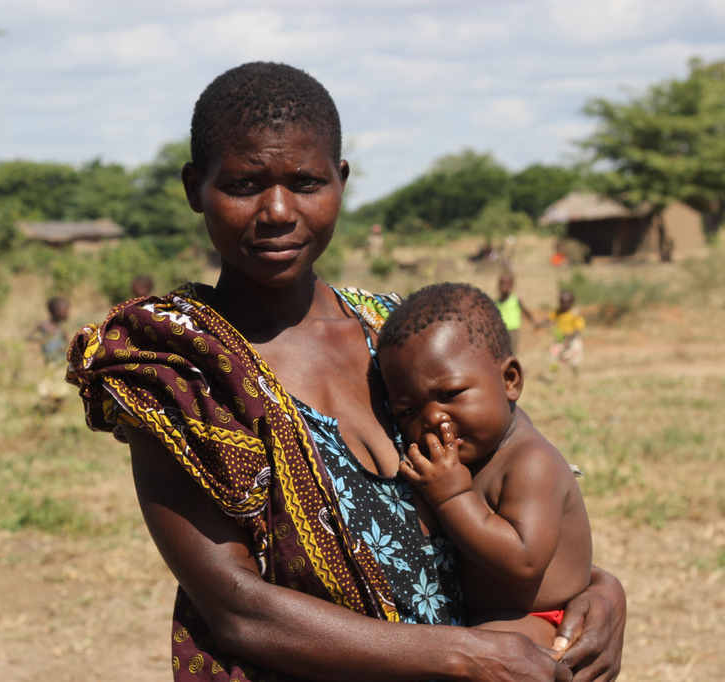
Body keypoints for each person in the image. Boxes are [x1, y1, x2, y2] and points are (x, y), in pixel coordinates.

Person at [67, 62, 624, 682]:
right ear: (196, 188)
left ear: (341, 181)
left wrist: (596, 590)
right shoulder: (177, 367)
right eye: (245, 184)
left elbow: (521, 479)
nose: (277, 210)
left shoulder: (398, 332)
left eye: (306, 182)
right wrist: (462, 655)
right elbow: (236, 608)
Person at [378, 282, 592, 649]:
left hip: (537, 620)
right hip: (486, 619)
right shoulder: (467, 455)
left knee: (484, 659)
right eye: (409, 411)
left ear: (510, 380)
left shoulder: (532, 463)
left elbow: (523, 560)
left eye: (449, 395)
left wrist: (452, 497)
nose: (433, 419)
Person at [494, 272, 537, 354]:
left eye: (506, 283)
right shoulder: (496, 302)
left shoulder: (515, 300)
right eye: (501, 283)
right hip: (499, 332)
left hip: (512, 332)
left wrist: (534, 322)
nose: (503, 286)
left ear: (511, 285)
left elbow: (526, 312)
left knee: (511, 354)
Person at [548, 290, 585, 375]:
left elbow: (578, 329)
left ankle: (574, 374)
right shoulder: (557, 312)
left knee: (574, 357)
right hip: (559, 339)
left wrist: (568, 340)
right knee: (553, 356)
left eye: (565, 302)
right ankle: (552, 376)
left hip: (572, 339)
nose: (563, 305)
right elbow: (549, 319)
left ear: (571, 302)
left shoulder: (575, 313)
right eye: (561, 302)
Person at [26, 296, 70, 362]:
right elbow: (28, 336)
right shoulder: (43, 325)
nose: (67, 313)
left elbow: (69, 345)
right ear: (56, 311)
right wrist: (39, 339)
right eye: (65, 310)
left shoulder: (61, 330)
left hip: (59, 363)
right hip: (48, 363)